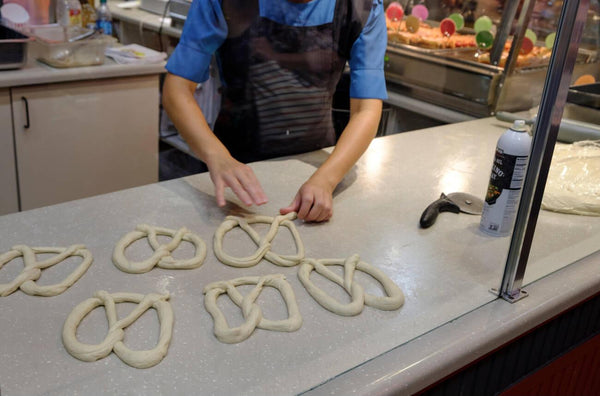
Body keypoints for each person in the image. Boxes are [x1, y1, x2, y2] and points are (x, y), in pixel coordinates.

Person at [162, 0, 388, 222]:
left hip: (316, 167)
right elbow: (177, 91)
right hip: (232, 166)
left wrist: (326, 179)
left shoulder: (361, 8)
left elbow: (365, 110)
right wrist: (216, 156)